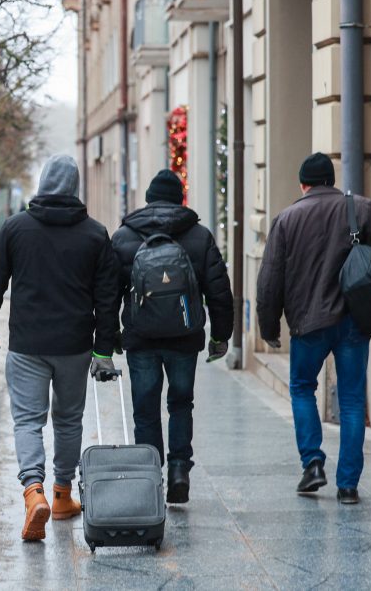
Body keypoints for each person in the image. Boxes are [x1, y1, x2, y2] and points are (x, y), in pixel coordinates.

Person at [0, 154, 119, 541]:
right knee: (69, 420)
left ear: (42, 184)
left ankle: (32, 492)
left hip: (27, 344)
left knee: (28, 420)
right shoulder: (94, 234)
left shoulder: (16, 228)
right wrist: (103, 349)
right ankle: (61, 495)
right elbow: (108, 297)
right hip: (74, 345)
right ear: (75, 187)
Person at [257, 152, 371, 505]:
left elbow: (270, 279)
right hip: (354, 321)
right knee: (351, 400)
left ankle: (313, 464)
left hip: (308, 323)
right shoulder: (362, 209)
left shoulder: (287, 219)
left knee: (302, 388)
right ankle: (348, 485)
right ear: (332, 181)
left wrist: (269, 325)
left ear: (303, 184)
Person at [111, 169, 233, 504]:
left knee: (145, 410)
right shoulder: (199, 236)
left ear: (148, 199)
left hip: (140, 338)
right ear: (181, 199)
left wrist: (108, 337)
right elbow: (220, 291)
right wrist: (220, 336)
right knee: (181, 403)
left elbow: (107, 293)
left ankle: (151, 478)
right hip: (184, 336)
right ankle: (179, 469)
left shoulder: (124, 237)